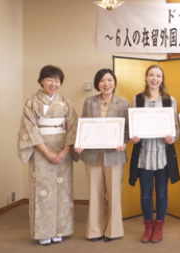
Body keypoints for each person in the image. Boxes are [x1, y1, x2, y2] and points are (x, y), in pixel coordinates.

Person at [17, 65, 78, 246]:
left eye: (57, 80)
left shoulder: (65, 103)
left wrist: (65, 151)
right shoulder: (31, 103)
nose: (53, 83)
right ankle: (44, 231)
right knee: (42, 192)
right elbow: (29, 130)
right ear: (41, 80)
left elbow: (73, 126)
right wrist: (48, 152)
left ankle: (60, 229)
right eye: (50, 79)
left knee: (62, 192)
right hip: (40, 151)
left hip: (63, 151)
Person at [74, 69, 129, 242]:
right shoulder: (89, 101)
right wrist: (80, 142)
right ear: (98, 83)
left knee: (113, 194)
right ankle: (94, 231)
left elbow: (127, 129)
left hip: (115, 155)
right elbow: (84, 124)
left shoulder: (123, 102)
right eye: (102, 80)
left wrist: (124, 142)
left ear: (114, 82)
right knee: (95, 193)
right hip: (92, 154)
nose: (106, 84)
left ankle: (113, 231)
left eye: (109, 80)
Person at [129, 65, 180, 244]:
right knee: (145, 193)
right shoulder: (137, 99)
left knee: (162, 193)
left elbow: (175, 129)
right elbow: (132, 126)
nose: (154, 78)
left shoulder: (169, 100)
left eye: (158, 75)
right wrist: (133, 136)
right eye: (151, 75)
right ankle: (148, 227)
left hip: (162, 155)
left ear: (162, 79)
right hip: (143, 155)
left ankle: (159, 227)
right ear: (146, 78)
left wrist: (172, 137)